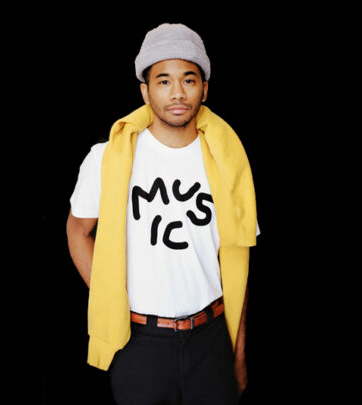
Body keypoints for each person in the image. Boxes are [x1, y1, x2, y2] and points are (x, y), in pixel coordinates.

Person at [66, 22, 260, 405]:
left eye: (188, 80)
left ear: (204, 89)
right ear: (145, 90)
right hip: (140, 343)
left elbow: (237, 260)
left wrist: (238, 356)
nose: (177, 93)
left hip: (211, 339)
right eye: (163, 81)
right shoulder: (107, 158)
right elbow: (77, 230)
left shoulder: (228, 162)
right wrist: (110, 294)